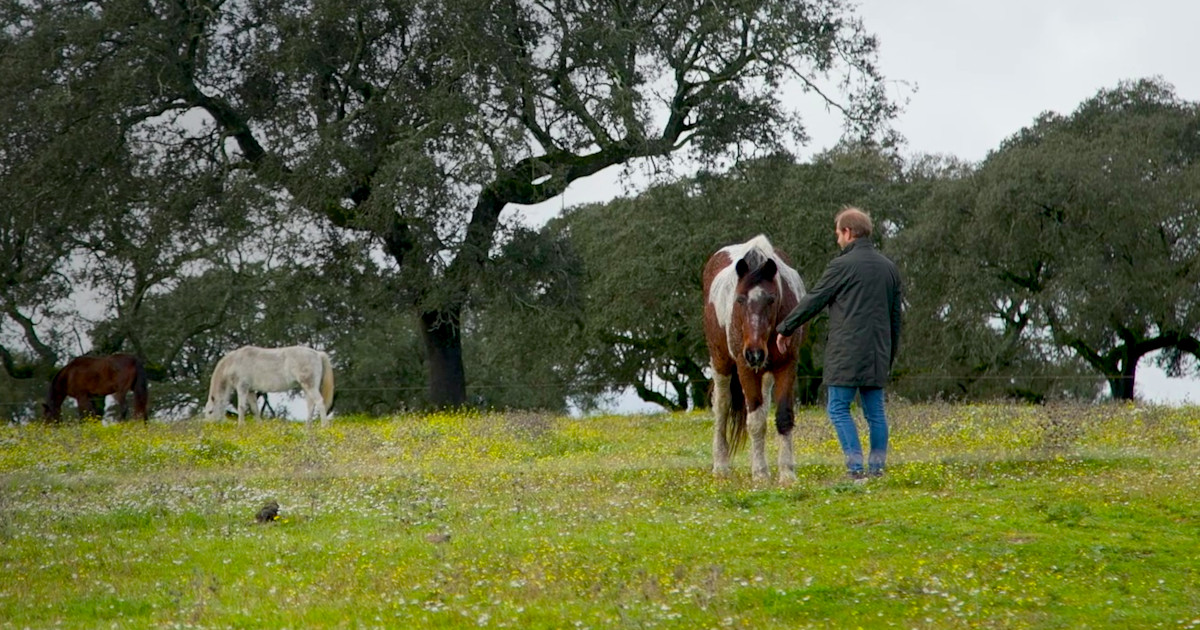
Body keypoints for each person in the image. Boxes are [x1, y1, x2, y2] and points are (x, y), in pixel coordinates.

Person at [775, 207, 902, 480]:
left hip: (846, 353)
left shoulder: (841, 266)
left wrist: (785, 328)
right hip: (878, 352)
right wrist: (889, 355)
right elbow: (895, 320)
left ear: (848, 232)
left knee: (837, 408)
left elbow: (814, 300)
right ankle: (877, 471)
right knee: (876, 414)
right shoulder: (889, 269)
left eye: (838, 234)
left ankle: (855, 470)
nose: (837, 240)